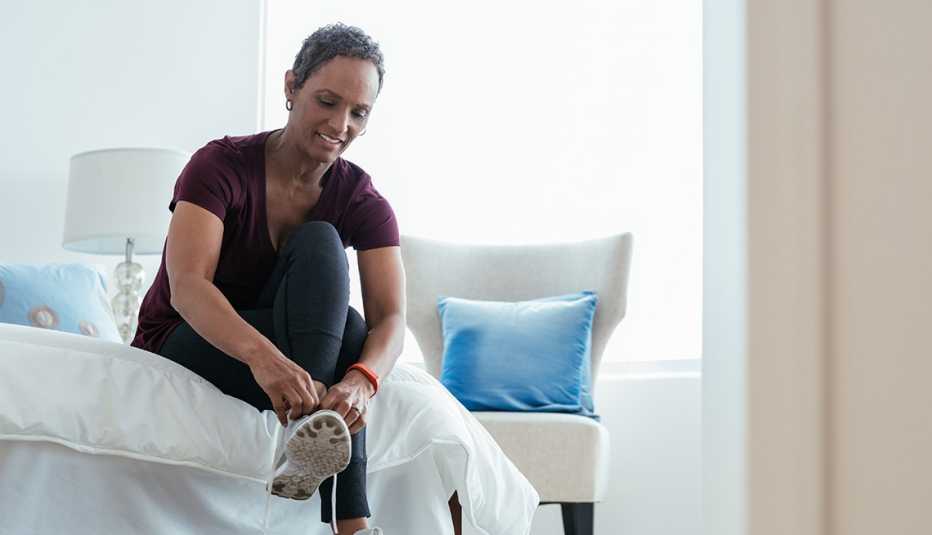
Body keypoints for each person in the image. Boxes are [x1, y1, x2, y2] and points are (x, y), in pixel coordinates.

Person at [130, 23, 410, 535]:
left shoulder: (362, 199)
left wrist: (362, 384)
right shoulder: (219, 165)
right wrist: (267, 361)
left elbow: (392, 317)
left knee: (334, 276)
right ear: (290, 87)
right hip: (186, 336)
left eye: (358, 112)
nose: (340, 123)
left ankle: (309, 439)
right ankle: (352, 523)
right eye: (326, 101)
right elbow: (188, 287)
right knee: (345, 329)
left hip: (293, 354)